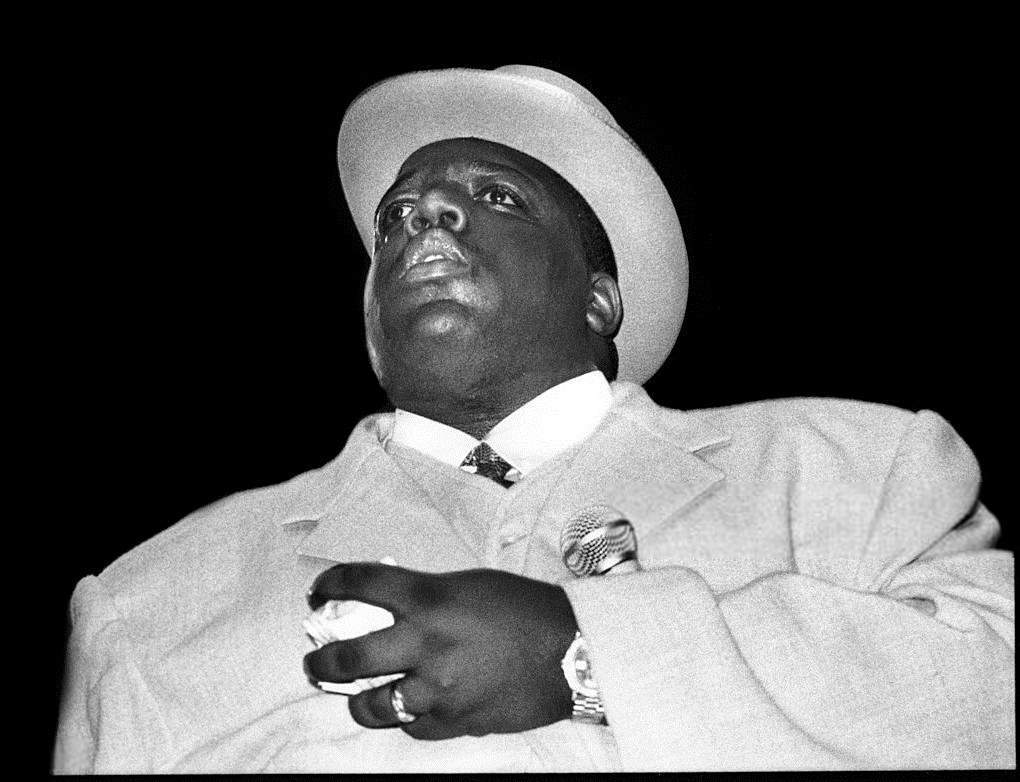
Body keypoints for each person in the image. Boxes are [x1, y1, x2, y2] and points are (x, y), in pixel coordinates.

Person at [53, 64, 1014, 773]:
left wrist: (582, 657)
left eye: (494, 196)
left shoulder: (855, 472)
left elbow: (992, 696)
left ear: (599, 299)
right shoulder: (147, 604)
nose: (424, 218)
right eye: (396, 216)